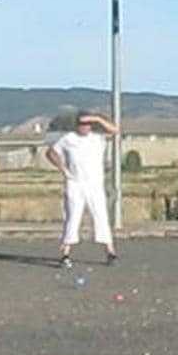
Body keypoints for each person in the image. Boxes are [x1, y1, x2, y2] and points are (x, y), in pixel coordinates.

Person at [46, 112, 120, 268]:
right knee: (73, 217)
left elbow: (115, 130)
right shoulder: (68, 139)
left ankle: (110, 252)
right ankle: (66, 253)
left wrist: (98, 119)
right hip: (75, 184)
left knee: (100, 216)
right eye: (81, 124)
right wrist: (63, 169)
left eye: (87, 124)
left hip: (94, 184)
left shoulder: (97, 138)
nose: (85, 127)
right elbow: (51, 152)